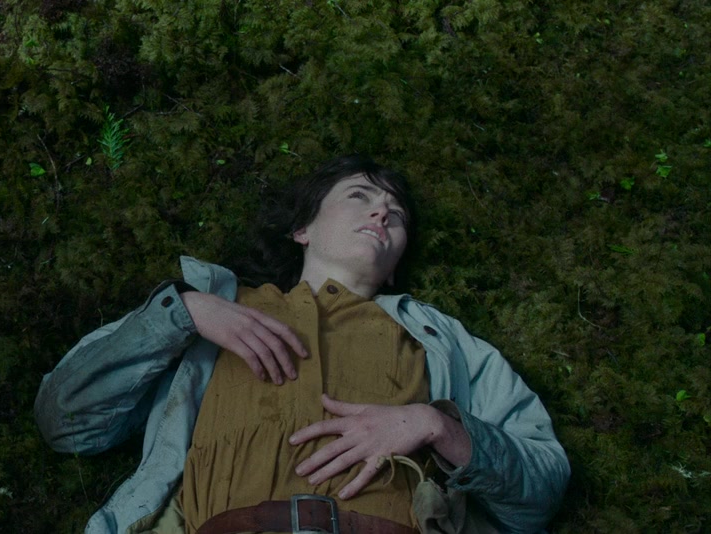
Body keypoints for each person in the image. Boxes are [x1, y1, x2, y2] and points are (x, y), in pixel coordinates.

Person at [34, 155, 570, 534]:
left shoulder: (440, 339)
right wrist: (184, 312)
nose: (382, 212)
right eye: (359, 196)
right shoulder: (216, 309)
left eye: (397, 213)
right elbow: (66, 423)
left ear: (395, 267)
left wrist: (436, 426)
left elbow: (541, 491)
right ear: (302, 230)